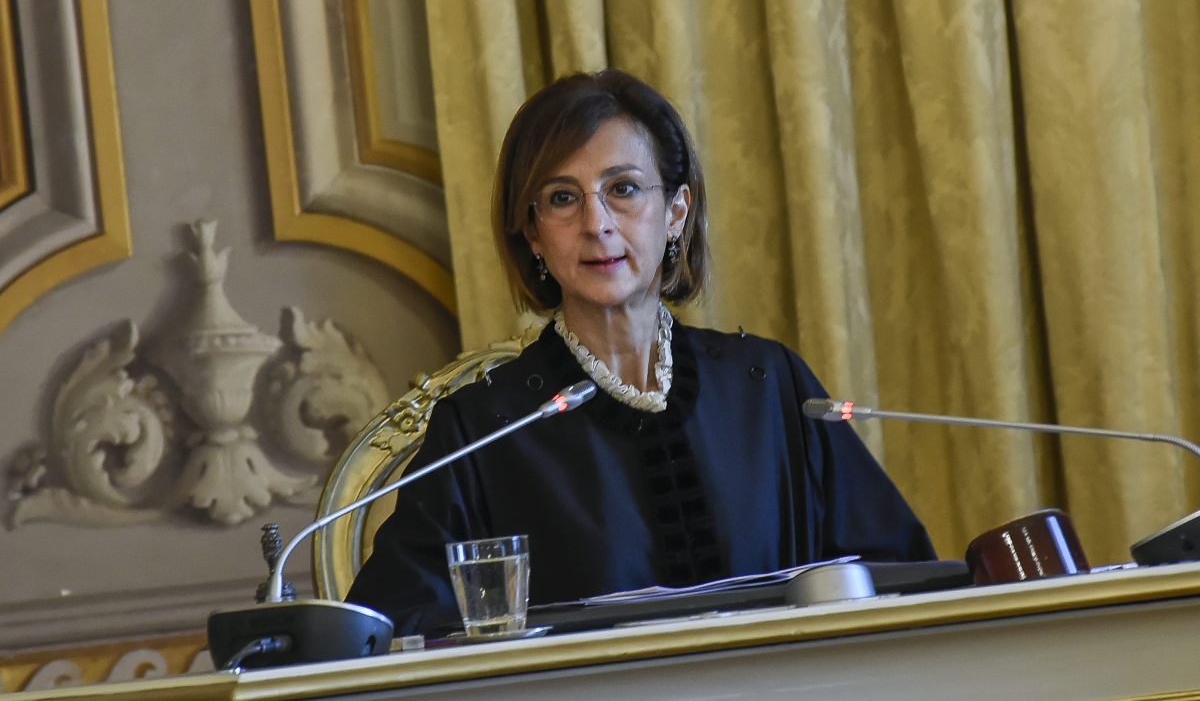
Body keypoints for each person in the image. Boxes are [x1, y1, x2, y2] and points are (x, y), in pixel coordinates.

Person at [346, 69, 935, 636]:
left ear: (676, 211)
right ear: (533, 234)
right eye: (561, 198)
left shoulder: (770, 385)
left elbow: (898, 578)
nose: (596, 223)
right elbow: (395, 627)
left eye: (623, 189)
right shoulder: (485, 428)